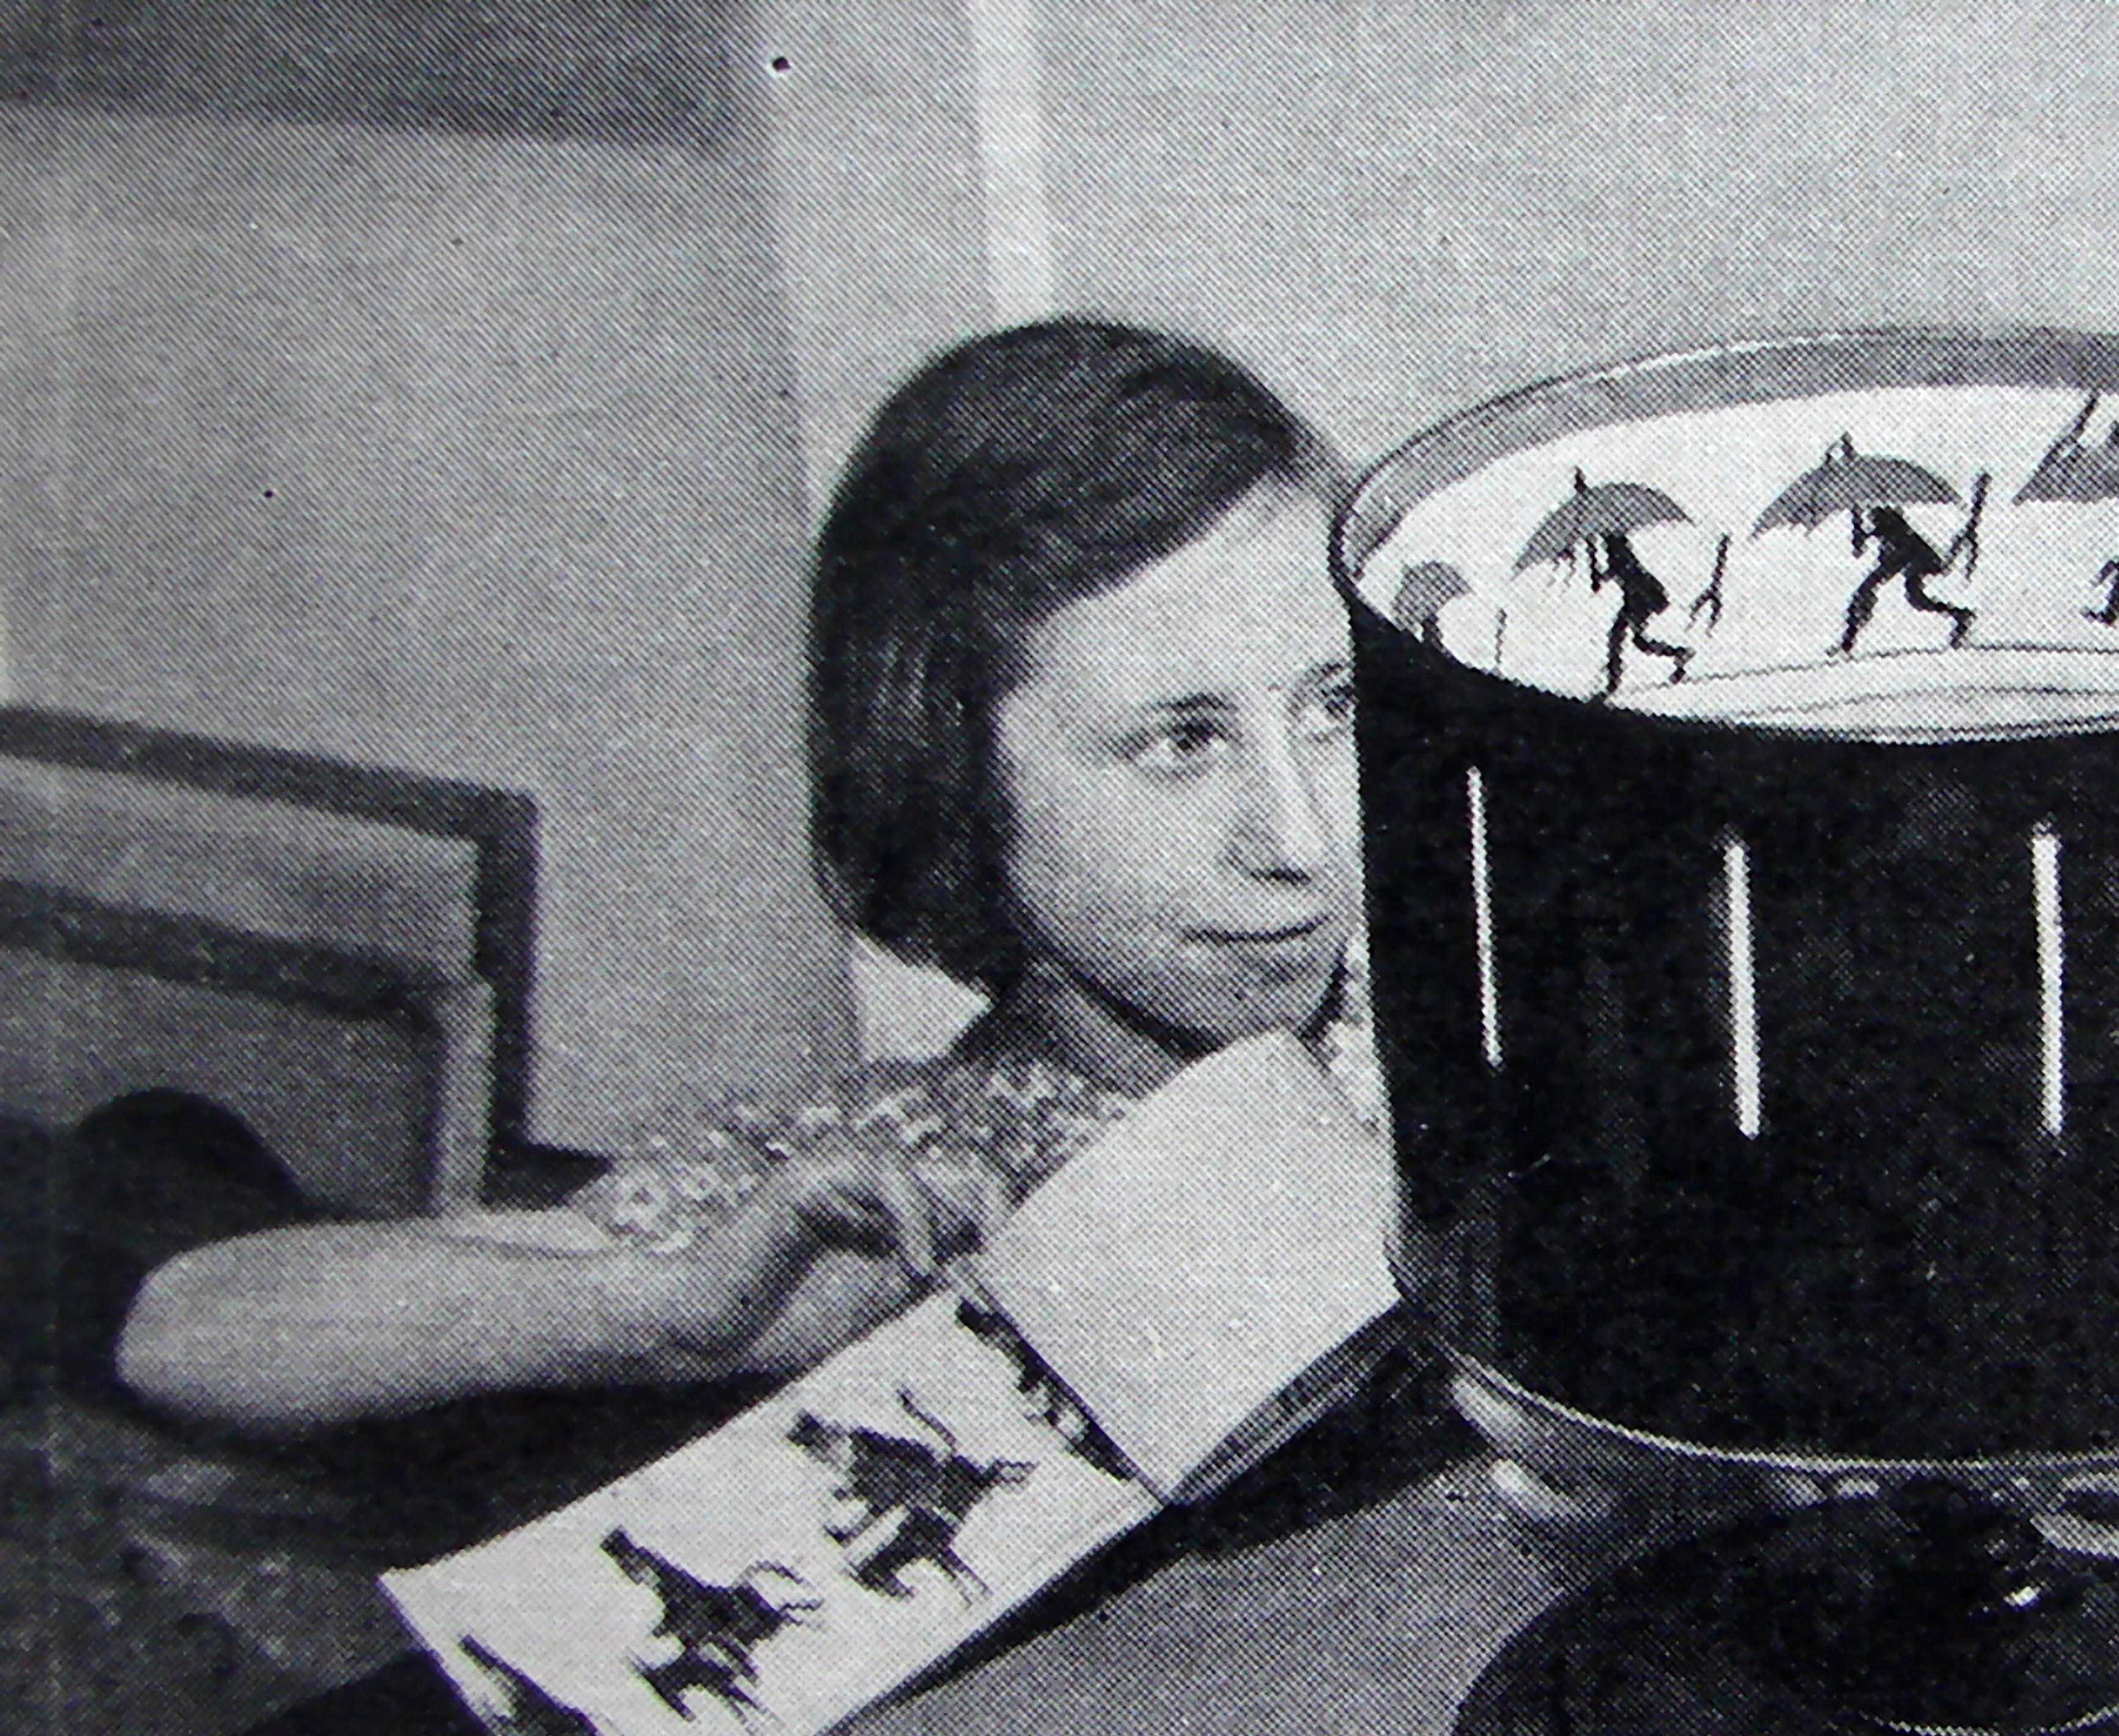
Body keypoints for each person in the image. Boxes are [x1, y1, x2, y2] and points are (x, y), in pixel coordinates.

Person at [118, 318, 1365, 1443]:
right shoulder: (902, 1178)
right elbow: (191, 1326)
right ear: (958, 778)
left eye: (1333, 708)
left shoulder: (1455, 1036)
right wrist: (663, 1310)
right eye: (1182, 741)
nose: (1300, 839)